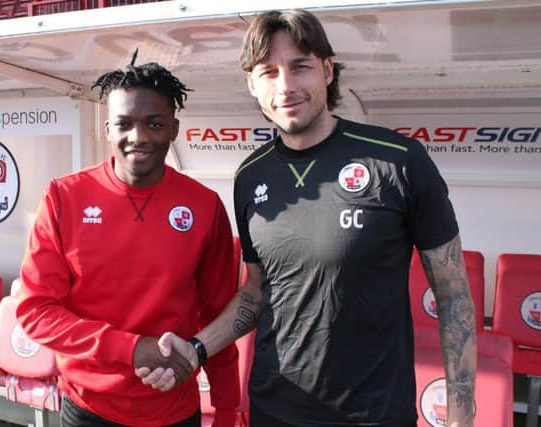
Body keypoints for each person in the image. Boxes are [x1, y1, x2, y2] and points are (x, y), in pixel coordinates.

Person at [138, 9, 477, 427]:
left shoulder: (399, 161)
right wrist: (197, 348)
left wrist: (462, 414)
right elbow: (256, 292)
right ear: (251, 83)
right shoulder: (250, 176)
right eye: (268, 72)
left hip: (375, 415)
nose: (285, 86)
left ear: (328, 70)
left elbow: (453, 293)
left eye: (300, 67)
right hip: (274, 411)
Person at [16, 52, 239, 427]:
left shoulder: (205, 206)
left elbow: (218, 314)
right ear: (107, 129)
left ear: (174, 128)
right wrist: (132, 349)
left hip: (175, 409)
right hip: (88, 410)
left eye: (154, 124)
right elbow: (35, 311)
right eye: (124, 124)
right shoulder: (62, 198)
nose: (138, 137)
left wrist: (228, 406)